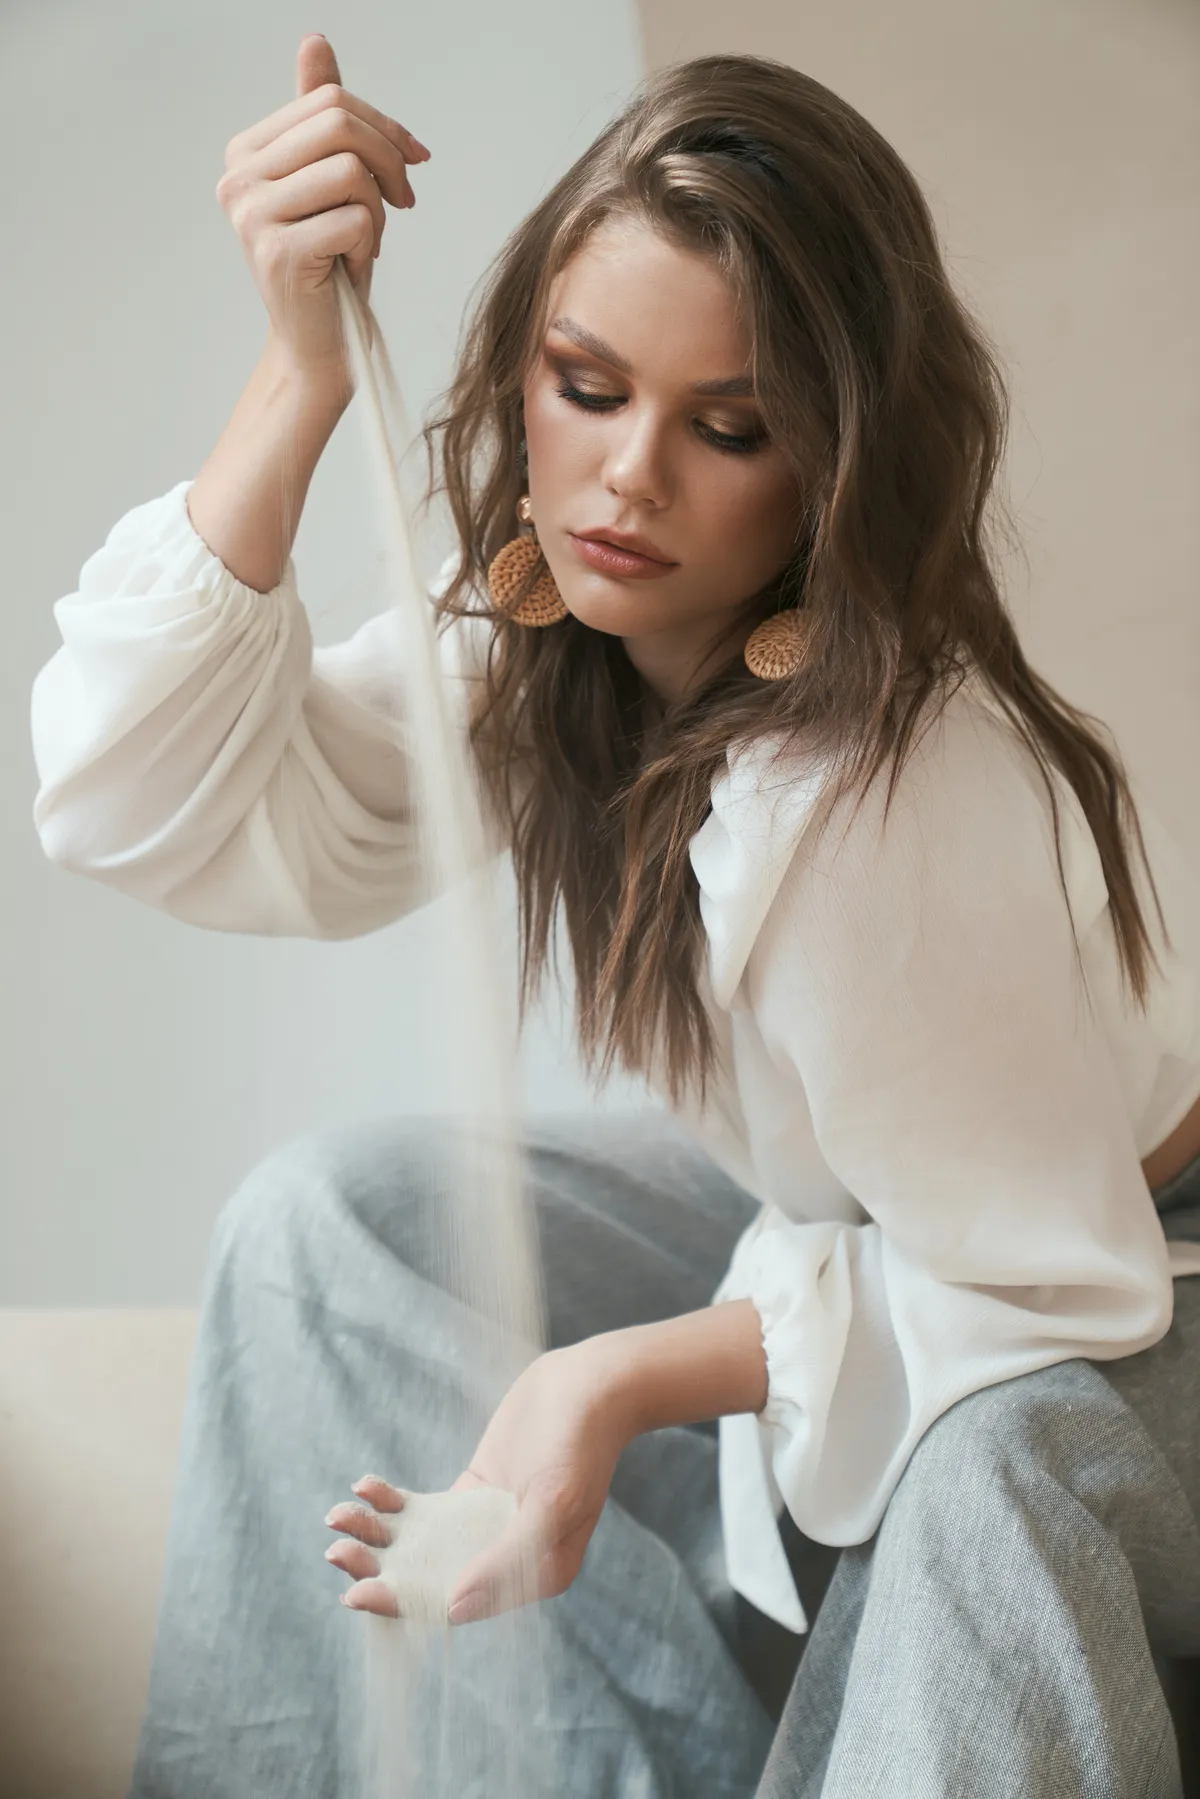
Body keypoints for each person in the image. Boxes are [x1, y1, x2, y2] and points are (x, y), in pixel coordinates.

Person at [29, 33, 1200, 1799]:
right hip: (856, 1224)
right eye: (585, 387)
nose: (625, 482)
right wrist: (299, 370)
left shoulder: (871, 794)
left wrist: (615, 1379)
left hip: (1122, 1280)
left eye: (729, 429)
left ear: (834, 469)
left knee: (988, 1462)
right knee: (329, 1226)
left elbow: (1045, 1282)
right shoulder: (549, 642)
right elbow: (138, 804)